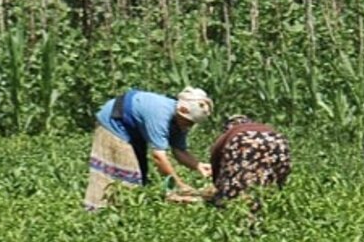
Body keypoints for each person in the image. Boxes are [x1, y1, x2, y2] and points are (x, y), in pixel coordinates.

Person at [84, 86, 213, 210]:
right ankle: (100, 211)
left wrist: (198, 165)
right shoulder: (160, 115)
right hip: (113, 124)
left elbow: (179, 150)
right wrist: (179, 184)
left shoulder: (180, 122)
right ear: (182, 111)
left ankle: (124, 210)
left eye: (192, 123)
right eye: (189, 122)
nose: (189, 126)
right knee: (127, 176)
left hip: (133, 131)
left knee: (140, 174)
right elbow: (158, 157)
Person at [206, 115, 291, 208]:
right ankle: (270, 205)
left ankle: (237, 210)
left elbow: (216, 161)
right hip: (278, 141)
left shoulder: (231, 133)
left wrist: (217, 185)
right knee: (271, 182)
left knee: (235, 185)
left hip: (243, 141)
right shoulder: (264, 127)